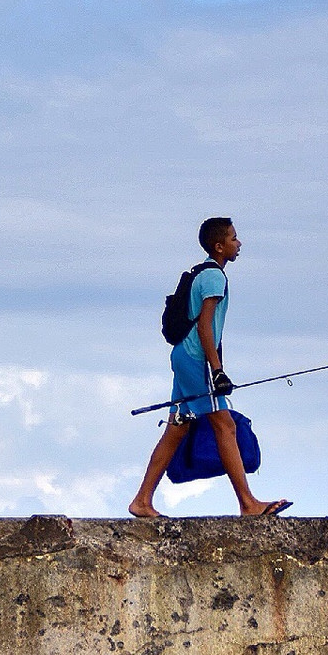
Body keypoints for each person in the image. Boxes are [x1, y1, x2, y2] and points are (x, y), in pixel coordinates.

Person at [128, 218, 291, 518]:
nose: (238, 243)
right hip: (196, 360)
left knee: (178, 428)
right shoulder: (214, 277)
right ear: (219, 246)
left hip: (183, 357)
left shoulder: (202, 272)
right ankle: (248, 504)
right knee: (224, 426)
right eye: (233, 238)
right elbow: (206, 327)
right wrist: (216, 371)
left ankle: (141, 501)